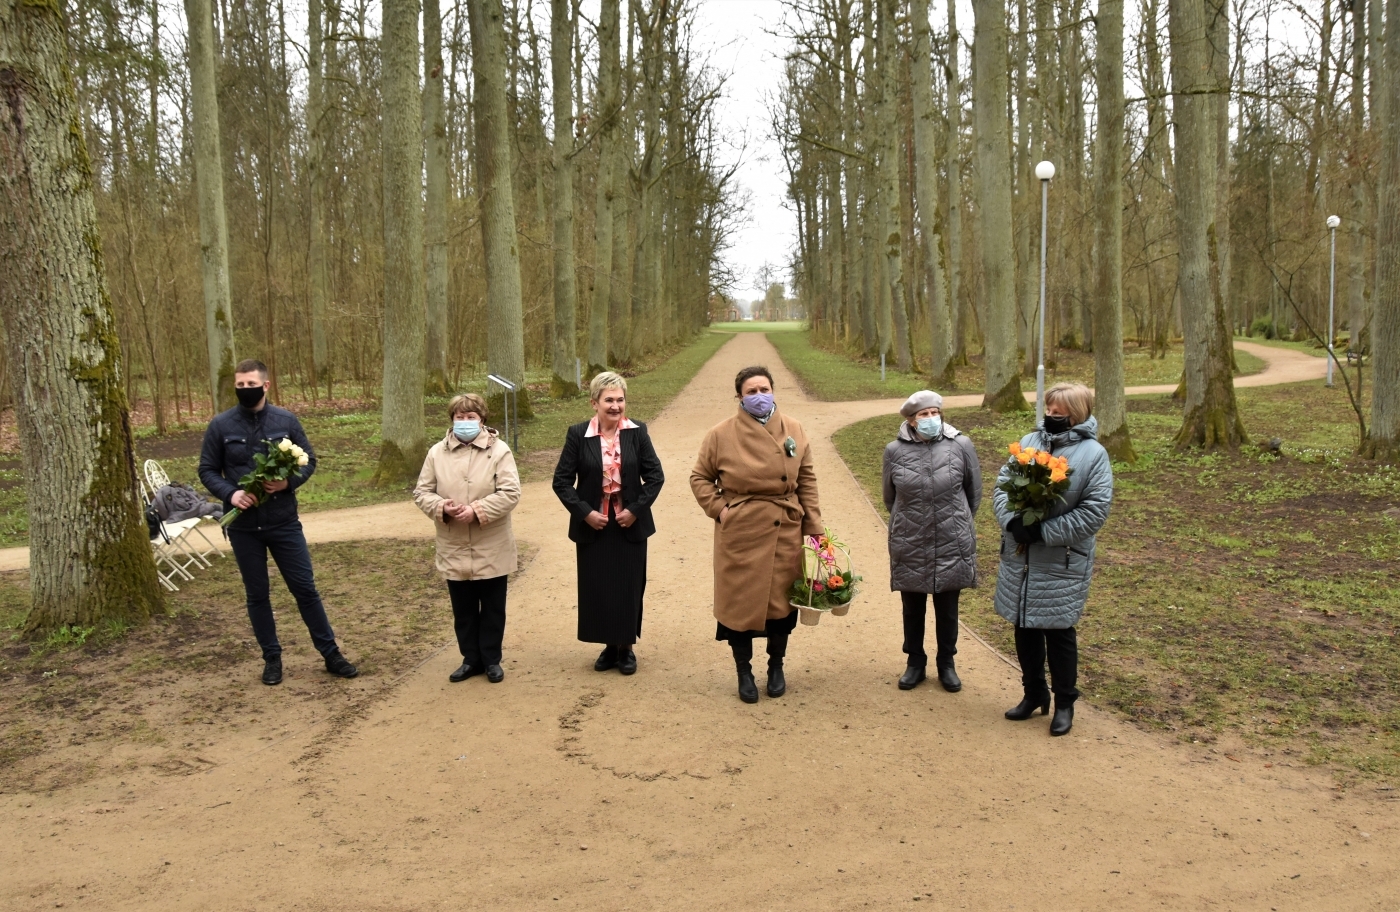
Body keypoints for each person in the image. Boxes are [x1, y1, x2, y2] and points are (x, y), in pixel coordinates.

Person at [198, 359, 358, 686]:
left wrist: (288, 483)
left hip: (284, 523)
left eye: (251, 384)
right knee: (257, 595)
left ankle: (330, 653)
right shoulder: (221, 425)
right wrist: (231, 494)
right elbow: (207, 469)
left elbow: (308, 460)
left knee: (305, 590)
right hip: (244, 528)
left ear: (266, 385)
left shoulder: (285, 420)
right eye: (240, 385)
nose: (245, 390)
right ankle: (271, 658)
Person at [690, 366, 822, 704]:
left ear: (774, 390)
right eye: (751, 391)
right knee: (740, 606)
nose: (759, 396)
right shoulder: (720, 434)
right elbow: (700, 478)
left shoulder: (794, 429)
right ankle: (743, 671)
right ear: (739, 397)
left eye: (764, 388)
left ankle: (776, 666)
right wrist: (720, 510)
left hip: (785, 529)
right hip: (741, 532)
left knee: (781, 604)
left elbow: (806, 481)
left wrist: (815, 531)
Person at [993, 382, 1113, 736]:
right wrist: (1014, 521)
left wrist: (1044, 531)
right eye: (1048, 410)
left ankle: (1064, 704)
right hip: (1022, 554)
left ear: (1076, 415)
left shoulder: (1094, 455)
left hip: (1061, 560)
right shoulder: (1029, 444)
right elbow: (1003, 484)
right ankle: (1033, 694)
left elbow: (1095, 511)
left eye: (1059, 413)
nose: (1051, 416)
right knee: (1024, 626)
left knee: (1059, 632)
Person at [552, 372, 665, 674]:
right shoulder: (578, 434)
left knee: (628, 586)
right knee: (598, 587)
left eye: (620, 399)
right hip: (594, 524)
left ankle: (626, 647)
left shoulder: (637, 432)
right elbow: (561, 481)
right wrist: (585, 512)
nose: (615, 406)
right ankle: (608, 646)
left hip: (629, 525)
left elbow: (655, 476)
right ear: (595, 402)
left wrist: (636, 510)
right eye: (609, 400)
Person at [414, 393, 521, 684]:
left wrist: (477, 511)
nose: (464, 422)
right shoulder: (437, 452)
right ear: (452, 420)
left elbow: (511, 493)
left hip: (492, 542)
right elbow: (422, 492)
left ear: (482, 419)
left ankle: (491, 660)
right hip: (453, 542)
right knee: (463, 609)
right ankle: (470, 659)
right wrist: (442, 508)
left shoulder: (499, 451)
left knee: (492, 608)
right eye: (459, 417)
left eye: (470, 417)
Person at [883, 390, 982, 693]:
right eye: (923, 415)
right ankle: (915, 662)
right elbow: (890, 498)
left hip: (951, 536)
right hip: (910, 537)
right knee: (912, 605)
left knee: (948, 606)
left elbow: (973, 493)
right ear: (911, 421)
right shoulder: (893, 451)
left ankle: (946, 663)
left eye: (934, 413)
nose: (930, 419)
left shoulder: (961, 445)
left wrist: (957, 520)